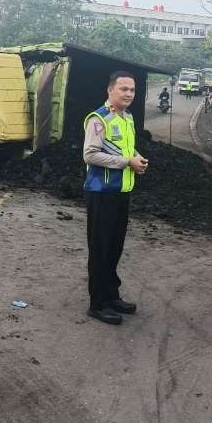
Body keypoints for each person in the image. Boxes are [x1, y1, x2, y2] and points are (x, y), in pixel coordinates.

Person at [82, 70, 149, 325]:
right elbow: (90, 155)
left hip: (121, 193)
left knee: (114, 248)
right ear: (110, 90)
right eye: (123, 89)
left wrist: (137, 159)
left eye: (132, 90)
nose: (129, 94)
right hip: (101, 193)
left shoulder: (127, 118)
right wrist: (126, 162)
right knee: (100, 249)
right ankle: (97, 303)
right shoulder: (99, 119)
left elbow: (127, 149)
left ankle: (112, 296)